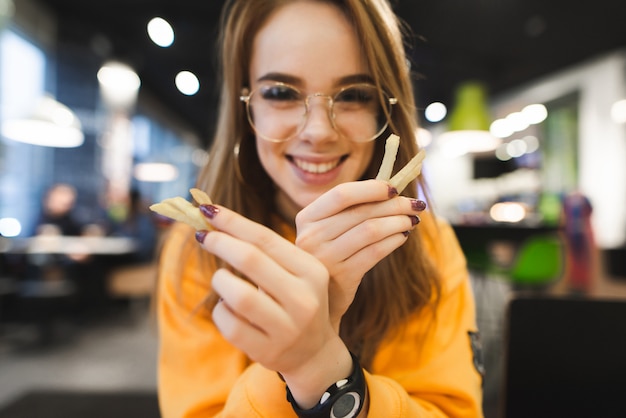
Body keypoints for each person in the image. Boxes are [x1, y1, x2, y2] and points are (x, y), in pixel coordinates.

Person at [157, 1, 484, 417]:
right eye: (281, 93)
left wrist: (319, 367)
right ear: (246, 104)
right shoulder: (198, 253)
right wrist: (296, 363)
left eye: (353, 95)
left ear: (387, 107)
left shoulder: (426, 244)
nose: (318, 131)